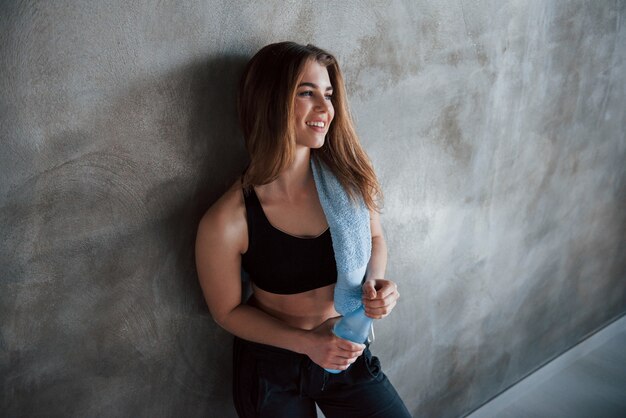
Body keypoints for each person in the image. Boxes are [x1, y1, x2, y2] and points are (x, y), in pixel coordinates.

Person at [195, 42, 411, 418]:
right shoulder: (228, 220)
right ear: (271, 102)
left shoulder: (348, 182)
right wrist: (307, 344)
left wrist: (374, 286)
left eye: (328, 95)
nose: (325, 109)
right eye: (307, 93)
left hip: (347, 350)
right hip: (272, 370)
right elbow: (227, 311)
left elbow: (375, 238)